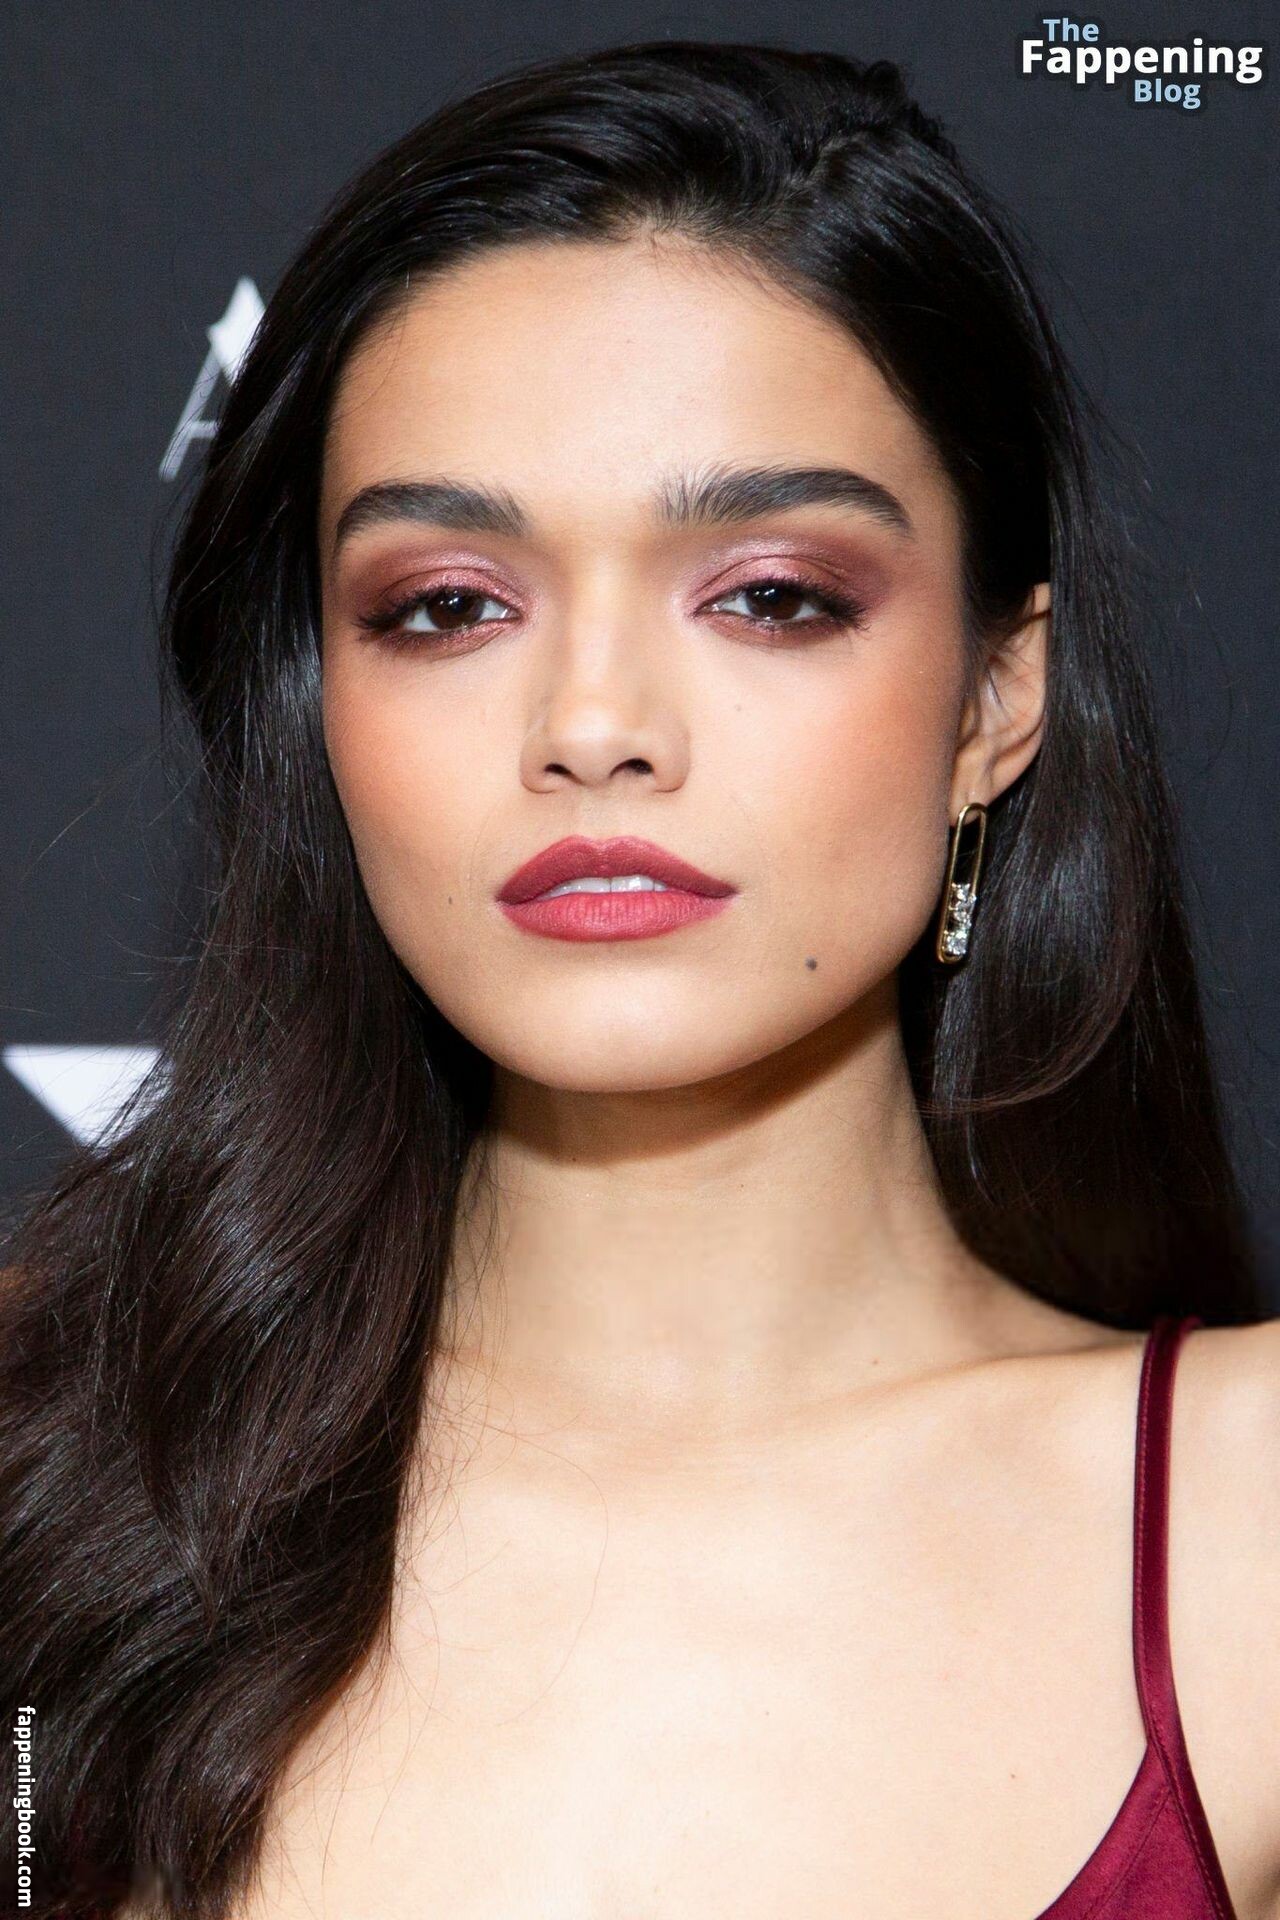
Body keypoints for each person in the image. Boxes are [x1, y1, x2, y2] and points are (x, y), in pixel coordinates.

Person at [2, 37, 1276, 1920]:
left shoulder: (1250, 1527)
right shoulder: (42, 1461)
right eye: (449, 606)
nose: (594, 723)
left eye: (770, 594)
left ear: (996, 700)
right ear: (321, 707)